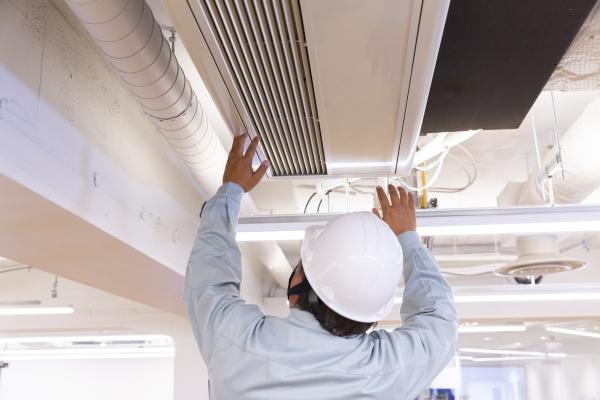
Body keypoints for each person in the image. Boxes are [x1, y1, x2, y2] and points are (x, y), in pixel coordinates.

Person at [185, 133, 458, 399]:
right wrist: (409, 241)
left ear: (296, 287)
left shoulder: (235, 341)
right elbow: (440, 324)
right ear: (372, 315)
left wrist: (231, 191)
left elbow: (208, 277)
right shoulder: (389, 371)